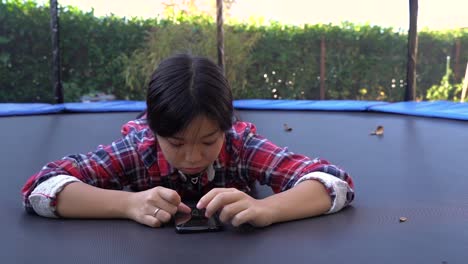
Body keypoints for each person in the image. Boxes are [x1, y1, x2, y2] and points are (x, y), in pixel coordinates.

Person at [22, 54, 355, 228]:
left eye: (208, 141)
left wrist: (266, 208)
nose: (193, 156)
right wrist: (127, 204)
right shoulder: (139, 150)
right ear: (154, 131)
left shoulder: (240, 146)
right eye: (176, 144)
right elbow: (42, 188)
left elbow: (332, 181)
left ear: (227, 127)